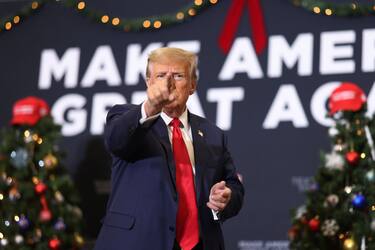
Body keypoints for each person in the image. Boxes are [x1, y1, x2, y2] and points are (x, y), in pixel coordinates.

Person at [94, 47, 244, 250]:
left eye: (178, 76)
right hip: (137, 243)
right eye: (161, 75)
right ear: (149, 82)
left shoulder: (213, 134)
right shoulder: (128, 118)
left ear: (193, 85)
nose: (169, 84)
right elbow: (117, 141)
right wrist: (149, 107)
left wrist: (226, 198)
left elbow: (233, 186)